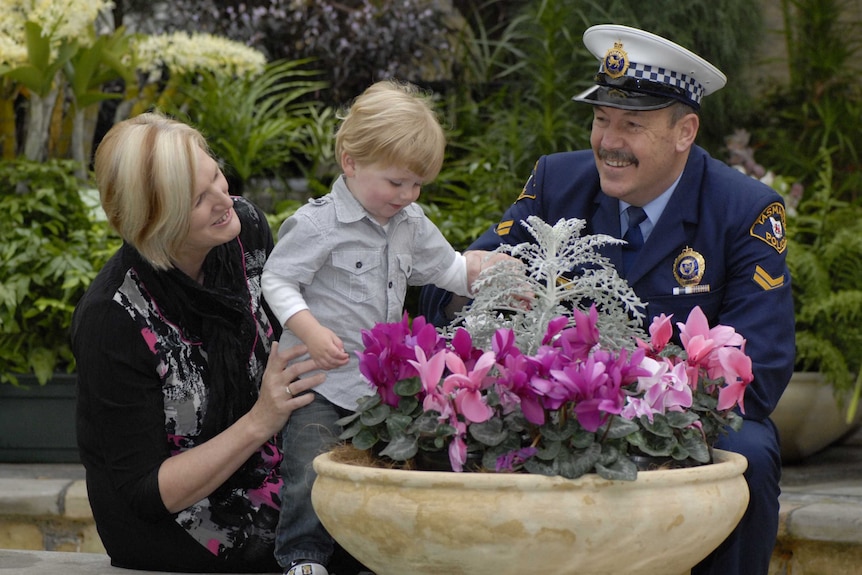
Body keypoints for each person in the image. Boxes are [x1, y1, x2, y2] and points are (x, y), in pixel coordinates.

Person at [420, 24, 795, 575]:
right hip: (558, 400)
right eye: (601, 119)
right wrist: (478, 288)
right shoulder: (557, 181)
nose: (608, 142)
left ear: (685, 131)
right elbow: (449, 288)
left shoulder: (746, 210)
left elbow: (759, 366)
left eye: (633, 125)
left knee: (751, 457)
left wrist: (643, 390)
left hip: (682, 411)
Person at [261, 79, 512, 575]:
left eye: (417, 184)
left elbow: (449, 269)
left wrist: (491, 274)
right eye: (396, 182)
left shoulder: (410, 222)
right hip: (319, 383)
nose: (408, 194)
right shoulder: (317, 226)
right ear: (351, 162)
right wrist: (309, 329)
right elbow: (277, 279)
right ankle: (303, 559)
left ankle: (367, 557)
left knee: (375, 473)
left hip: (378, 387)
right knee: (310, 471)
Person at [72, 112, 326, 573]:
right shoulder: (113, 318)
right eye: (197, 199)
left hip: (263, 473)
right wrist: (261, 420)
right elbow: (146, 492)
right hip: (175, 521)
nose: (223, 198)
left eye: (215, 174)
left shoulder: (243, 230)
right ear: (154, 221)